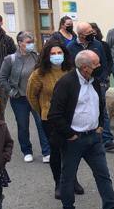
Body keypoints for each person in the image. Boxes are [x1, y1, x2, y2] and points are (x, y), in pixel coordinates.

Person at [46, 50, 114, 209]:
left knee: (103, 174)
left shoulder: (94, 82)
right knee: (68, 176)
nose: (99, 66)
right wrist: (70, 134)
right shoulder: (66, 83)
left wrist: (100, 125)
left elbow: (100, 104)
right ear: (85, 68)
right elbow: (54, 114)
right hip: (73, 139)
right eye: (96, 64)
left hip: (93, 138)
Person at [27, 44, 82, 199]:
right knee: (56, 152)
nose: (57, 55)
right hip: (50, 120)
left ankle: (72, 179)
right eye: (53, 53)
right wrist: (43, 111)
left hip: (71, 117)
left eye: (59, 52)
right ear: (47, 56)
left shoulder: (71, 70)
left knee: (73, 150)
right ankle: (59, 183)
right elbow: (31, 96)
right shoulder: (39, 74)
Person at [0, 31, 49, 164]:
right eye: (28, 42)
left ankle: (46, 152)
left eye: (32, 42)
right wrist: (11, 91)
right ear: (20, 44)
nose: (31, 45)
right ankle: (27, 151)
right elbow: (2, 78)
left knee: (42, 123)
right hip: (19, 98)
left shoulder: (37, 57)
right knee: (23, 126)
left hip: (36, 97)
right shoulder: (10, 59)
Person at [66, 22, 114, 152]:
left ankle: (107, 139)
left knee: (101, 109)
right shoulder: (71, 47)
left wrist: (104, 79)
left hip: (97, 82)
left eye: (92, 32)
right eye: (89, 33)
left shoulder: (97, 44)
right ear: (81, 35)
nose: (92, 35)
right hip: (79, 84)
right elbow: (69, 67)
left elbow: (104, 63)